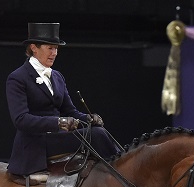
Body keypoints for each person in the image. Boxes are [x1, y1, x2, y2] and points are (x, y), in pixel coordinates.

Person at [6, 22, 122, 177]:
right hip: (37, 142)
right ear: (34, 48)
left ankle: (120, 163)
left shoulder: (57, 76)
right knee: (97, 135)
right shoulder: (18, 78)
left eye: (56, 48)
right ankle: (121, 171)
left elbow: (70, 111)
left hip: (58, 136)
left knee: (98, 130)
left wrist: (88, 118)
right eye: (50, 48)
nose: (54, 53)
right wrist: (58, 122)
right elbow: (21, 120)